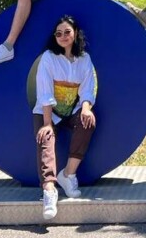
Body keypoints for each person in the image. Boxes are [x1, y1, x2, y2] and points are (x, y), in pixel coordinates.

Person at [33, 15, 97, 219]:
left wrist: (86, 108)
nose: (63, 36)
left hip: (72, 110)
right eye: (58, 33)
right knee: (46, 137)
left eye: (67, 32)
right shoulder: (49, 58)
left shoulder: (84, 59)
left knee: (88, 121)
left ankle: (68, 174)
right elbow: (44, 92)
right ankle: (49, 190)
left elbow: (87, 90)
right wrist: (47, 123)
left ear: (75, 33)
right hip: (47, 111)